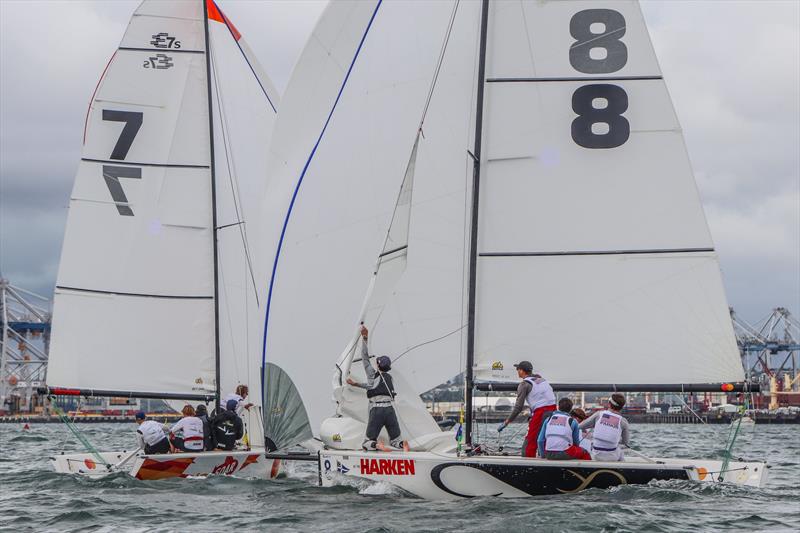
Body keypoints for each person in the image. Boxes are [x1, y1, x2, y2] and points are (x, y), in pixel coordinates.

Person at [346, 325, 409, 452]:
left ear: (378, 365)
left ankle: (376, 445)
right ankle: (403, 445)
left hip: (377, 411)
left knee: (367, 442)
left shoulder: (372, 374)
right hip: (390, 410)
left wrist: (365, 338)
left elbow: (364, 357)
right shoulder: (390, 378)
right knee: (395, 440)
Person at [496, 361, 556, 458]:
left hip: (541, 412)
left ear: (522, 371)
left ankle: (528, 463)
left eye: (518, 369)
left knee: (529, 444)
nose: (517, 371)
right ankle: (545, 459)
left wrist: (507, 422)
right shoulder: (541, 379)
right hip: (553, 411)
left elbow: (518, 407)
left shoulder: (524, 385)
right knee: (545, 438)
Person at [578, 393, 631, 461]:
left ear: (609, 404)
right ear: (621, 407)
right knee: (620, 450)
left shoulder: (599, 415)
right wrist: (614, 439)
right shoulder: (623, 422)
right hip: (612, 457)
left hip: (596, 455)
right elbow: (625, 442)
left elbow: (580, 426)